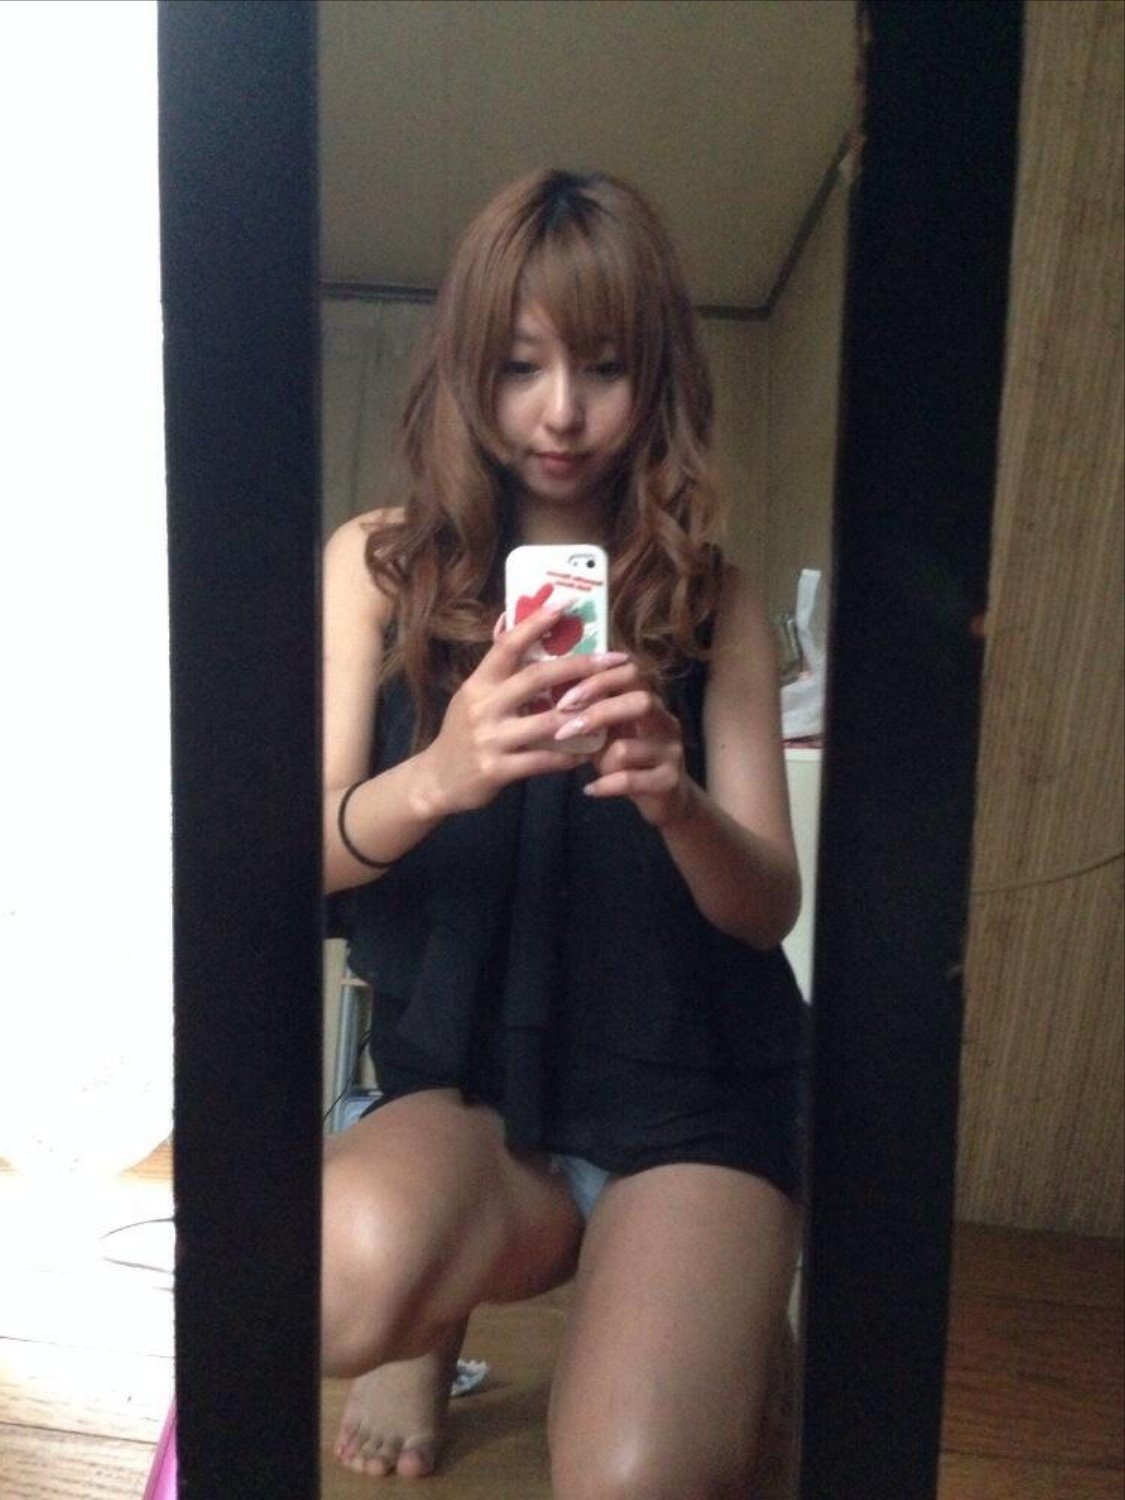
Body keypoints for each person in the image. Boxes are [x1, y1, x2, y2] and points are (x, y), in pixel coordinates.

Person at [321, 168, 808, 1497]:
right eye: (519, 364)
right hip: (468, 1090)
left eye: (603, 366)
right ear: (466, 366)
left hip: (690, 1097)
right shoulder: (377, 564)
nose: (559, 412)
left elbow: (767, 905)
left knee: (636, 1480)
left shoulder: (714, 599)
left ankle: (715, 1310)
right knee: (337, 1286)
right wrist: (441, 774)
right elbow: (302, 856)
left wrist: (676, 800)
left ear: (658, 379)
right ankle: (431, 1321)